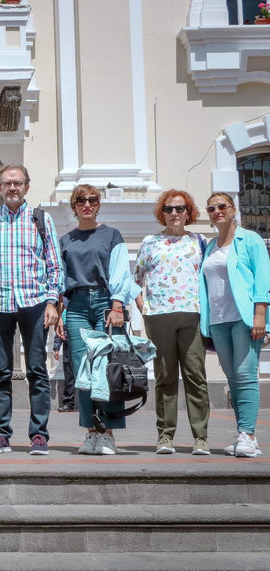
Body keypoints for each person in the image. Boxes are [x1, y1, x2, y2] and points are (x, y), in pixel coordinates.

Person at [0, 165, 63, 456]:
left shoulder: (41, 220)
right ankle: (0, 434)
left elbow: (54, 264)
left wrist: (52, 302)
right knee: (0, 372)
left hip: (34, 303)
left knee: (37, 371)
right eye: (7, 183)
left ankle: (39, 435)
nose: (12, 188)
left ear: (27, 187)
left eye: (18, 183)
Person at [58, 184, 140, 456]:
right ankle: (91, 431)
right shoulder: (66, 240)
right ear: (74, 206)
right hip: (77, 305)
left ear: (98, 204)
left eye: (92, 200)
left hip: (105, 302)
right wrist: (60, 313)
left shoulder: (110, 235)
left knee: (107, 368)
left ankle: (108, 433)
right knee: (83, 369)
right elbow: (61, 279)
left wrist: (117, 304)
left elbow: (120, 271)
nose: (87, 204)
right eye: (81, 200)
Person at [133, 190, 210, 455]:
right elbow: (136, 280)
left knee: (195, 376)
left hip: (192, 316)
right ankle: (165, 436)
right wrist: (144, 307)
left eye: (179, 209)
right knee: (165, 377)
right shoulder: (150, 242)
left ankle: (200, 437)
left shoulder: (199, 241)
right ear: (161, 213)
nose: (174, 214)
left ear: (188, 212)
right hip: (159, 317)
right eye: (168, 209)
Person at [200, 192, 270, 458]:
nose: (217, 211)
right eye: (211, 208)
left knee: (246, 375)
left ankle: (249, 435)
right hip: (218, 320)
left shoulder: (249, 239)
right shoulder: (210, 245)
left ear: (233, 210)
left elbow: (263, 278)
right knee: (233, 379)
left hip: (244, 318)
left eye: (222, 206)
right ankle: (243, 432)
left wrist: (260, 315)